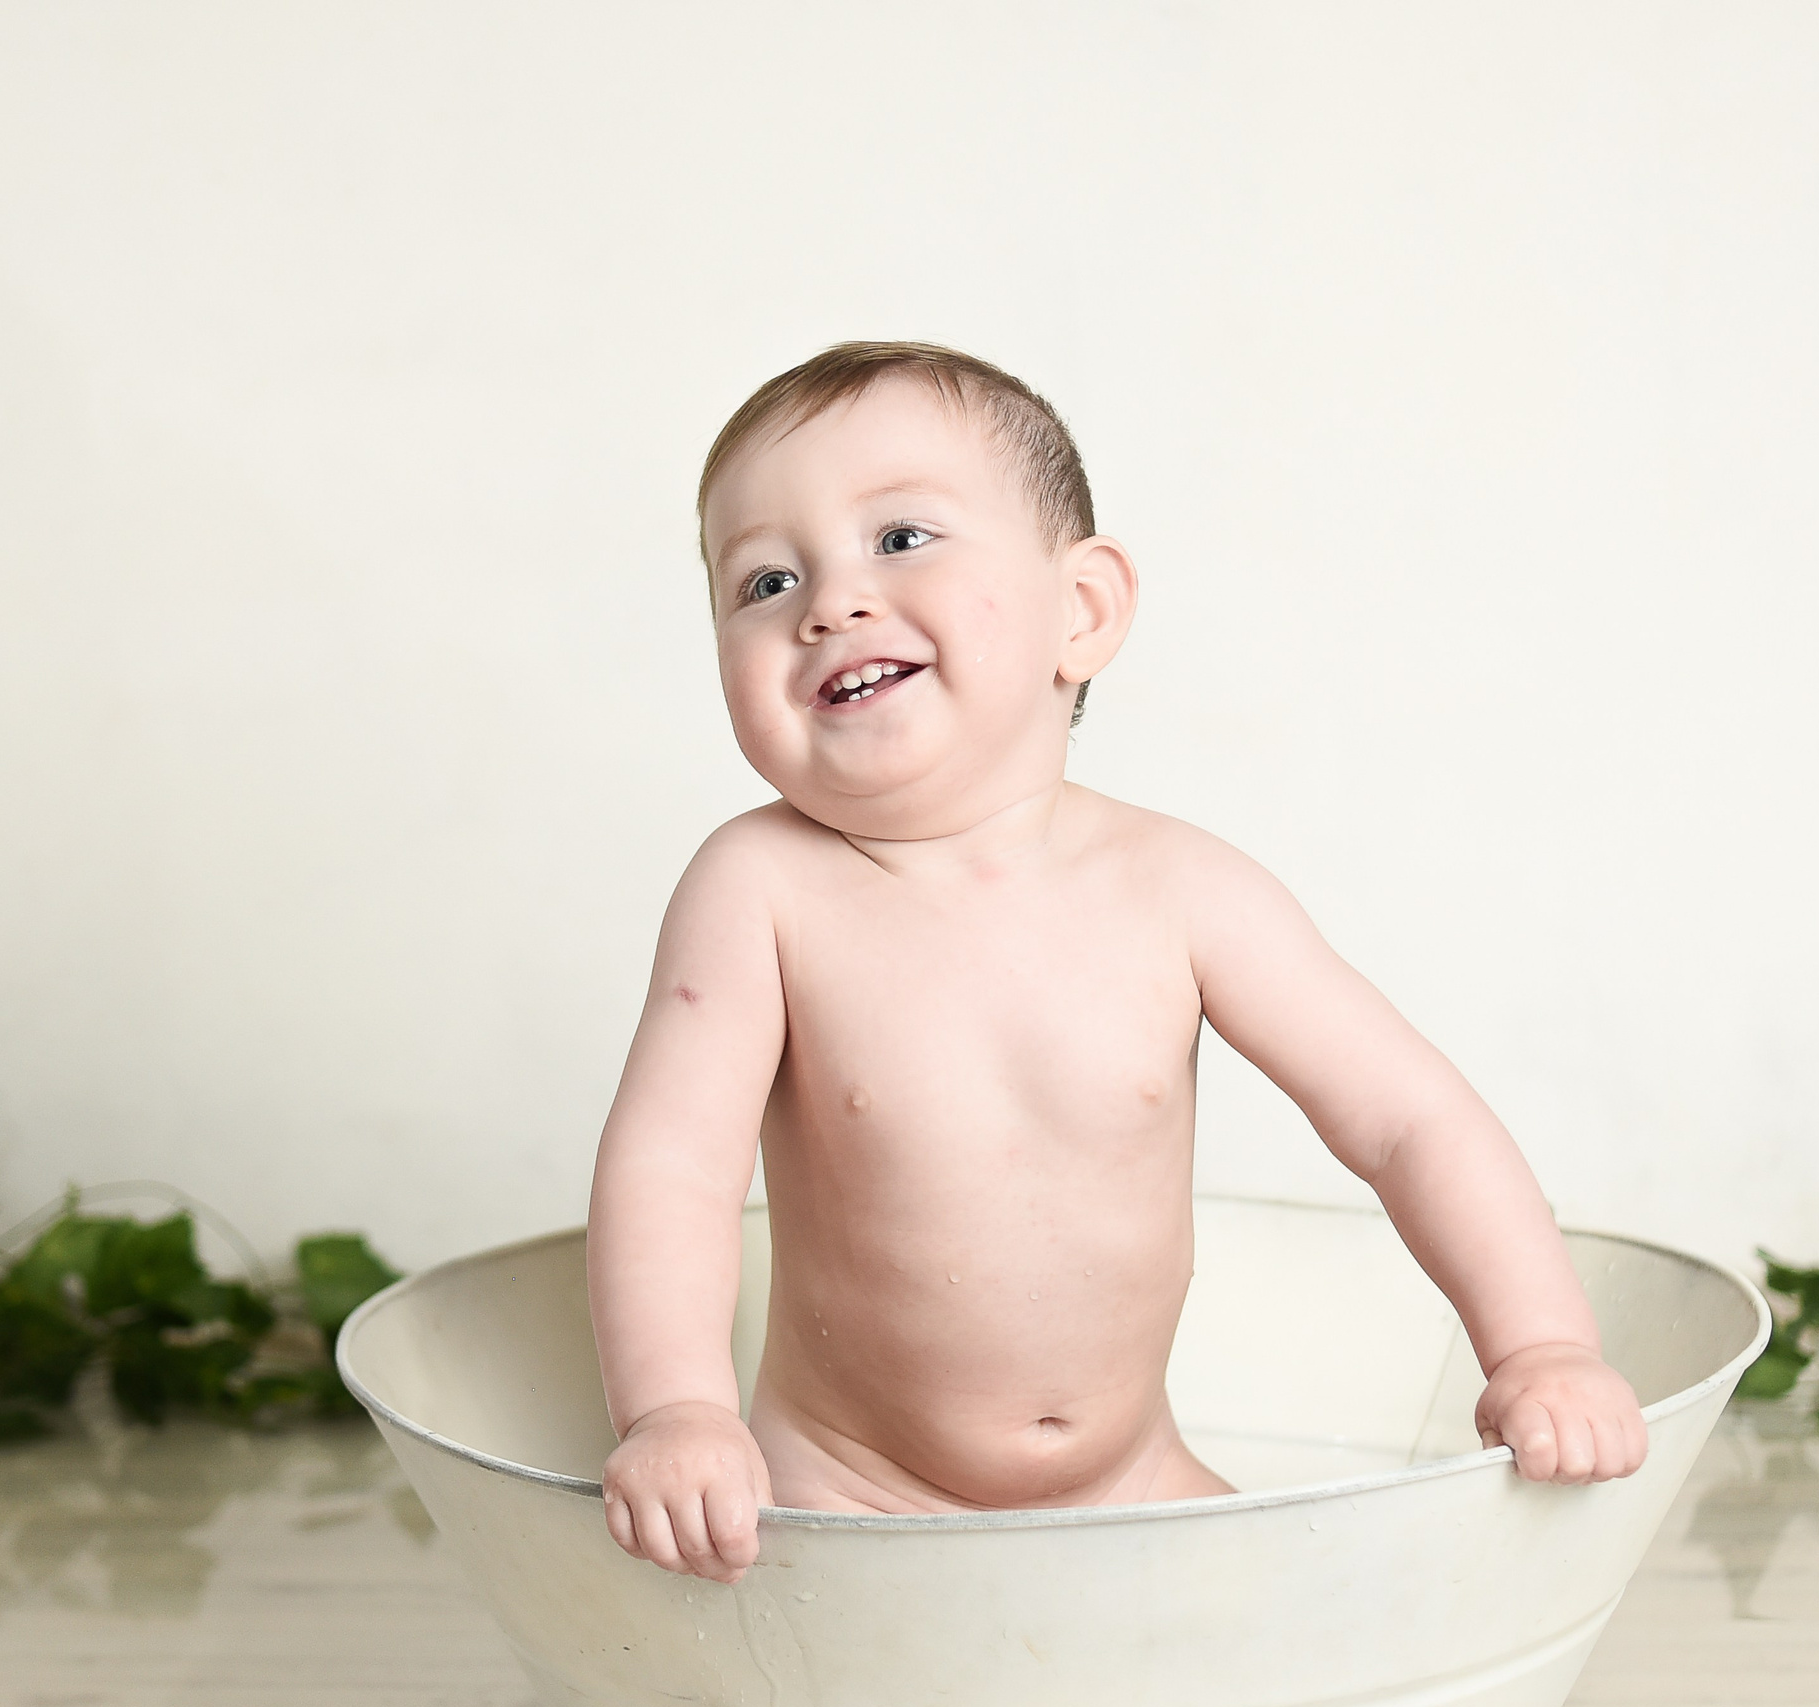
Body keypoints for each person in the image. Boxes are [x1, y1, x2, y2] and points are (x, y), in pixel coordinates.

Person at [587, 342, 1646, 1584]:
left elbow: (1409, 1119)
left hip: (1135, 1479)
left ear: (1079, 613)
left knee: (1306, 1645)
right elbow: (672, 1170)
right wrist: (676, 1414)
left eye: (901, 538)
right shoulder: (758, 889)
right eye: (763, 578)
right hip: (846, 1489)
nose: (827, 603)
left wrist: (1539, 1348)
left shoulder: (1182, 888)